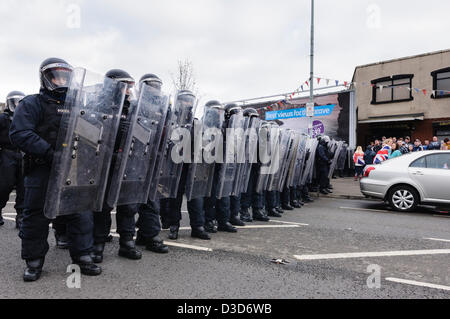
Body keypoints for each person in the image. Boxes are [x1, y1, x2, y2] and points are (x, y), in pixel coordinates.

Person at [10, 57, 101, 282]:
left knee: (80, 213)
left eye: (64, 76)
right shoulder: (32, 103)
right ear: (45, 78)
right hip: (42, 168)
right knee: (36, 216)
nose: (61, 80)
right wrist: (50, 153)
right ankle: (34, 261)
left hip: (73, 168)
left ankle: (82, 256)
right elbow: (20, 133)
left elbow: (93, 135)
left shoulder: (78, 107)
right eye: (56, 76)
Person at [92, 69, 143, 263]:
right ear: (113, 87)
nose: (129, 92)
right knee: (102, 207)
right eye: (125, 87)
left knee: (128, 205)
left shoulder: (134, 109)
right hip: (105, 162)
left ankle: (127, 242)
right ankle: (98, 244)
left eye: (131, 88)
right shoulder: (98, 107)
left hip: (128, 163)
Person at [0, 91, 26, 228]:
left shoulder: (26, 118)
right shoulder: (2, 119)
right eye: (14, 102)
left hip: (24, 154)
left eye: (19, 102)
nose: (17, 105)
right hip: (7, 154)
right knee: (5, 185)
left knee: (23, 187)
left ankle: (21, 216)